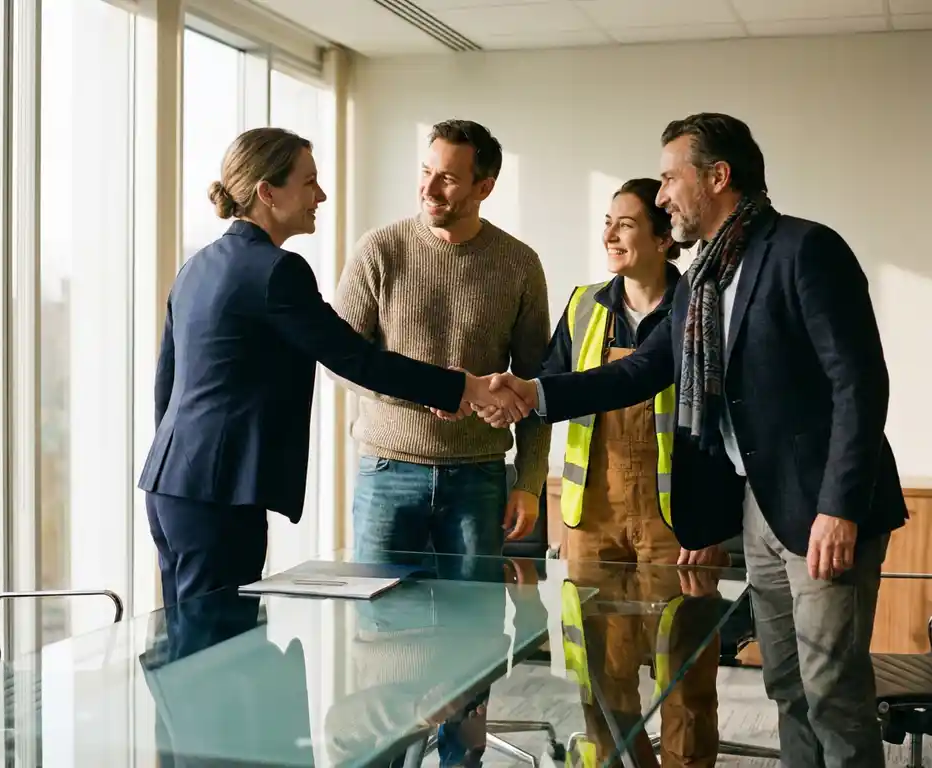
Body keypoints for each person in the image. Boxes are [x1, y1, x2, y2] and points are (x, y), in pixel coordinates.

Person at [482, 113, 908, 768]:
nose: (661, 197)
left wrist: (840, 507)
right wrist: (535, 392)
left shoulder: (802, 251)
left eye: (669, 178)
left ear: (718, 176)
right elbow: (642, 371)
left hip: (824, 507)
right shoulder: (705, 280)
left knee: (832, 691)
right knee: (788, 686)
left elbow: (860, 385)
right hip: (760, 510)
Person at [137, 127, 529, 610]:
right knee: (217, 643)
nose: (320, 195)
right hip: (219, 491)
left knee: (190, 635)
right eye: (309, 182)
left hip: (171, 484)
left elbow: (166, 383)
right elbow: (354, 357)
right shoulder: (277, 270)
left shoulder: (197, 264)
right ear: (267, 192)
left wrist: (179, 466)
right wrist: (463, 386)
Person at [333, 118, 551, 766]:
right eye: (426, 171)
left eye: (449, 177)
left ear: (484, 184)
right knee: (380, 636)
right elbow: (338, 359)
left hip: (479, 479)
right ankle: (387, 757)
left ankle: (463, 761)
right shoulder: (381, 250)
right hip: (387, 471)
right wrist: (437, 391)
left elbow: (540, 389)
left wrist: (532, 482)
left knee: (476, 639)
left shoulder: (517, 265)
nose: (430, 187)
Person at [537, 178, 718, 767]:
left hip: (674, 518)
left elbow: (722, 419)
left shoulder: (701, 305)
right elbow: (551, 389)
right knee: (602, 673)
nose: (610, 234)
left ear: (666, 239)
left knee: (684, 672)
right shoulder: (585, 304)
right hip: (592, 514)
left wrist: (711, 523)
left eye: (627, 223)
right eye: (608, 221)